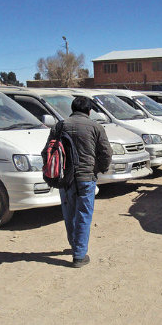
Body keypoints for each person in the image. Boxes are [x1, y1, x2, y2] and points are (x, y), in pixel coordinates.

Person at [45, 97, 112, 267]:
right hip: (86, 179)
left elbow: (47, 150)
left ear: (72, 108)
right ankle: (79, 255)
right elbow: (106, 154)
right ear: (89, 111)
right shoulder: (96, 127)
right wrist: (97, 169)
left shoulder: (59, 126)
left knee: (69, 214)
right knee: (83, 215)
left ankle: (75, 245)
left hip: (65, 178)